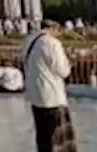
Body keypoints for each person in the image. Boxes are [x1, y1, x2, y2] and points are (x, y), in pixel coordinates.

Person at [24, 19, 75, 152]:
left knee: (42, 135)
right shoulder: (52, 43)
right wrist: (69, 64)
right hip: (52, 96)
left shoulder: (29, 41)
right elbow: (62, 70)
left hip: (36, 95)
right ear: (53, 28)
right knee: (56, 136)